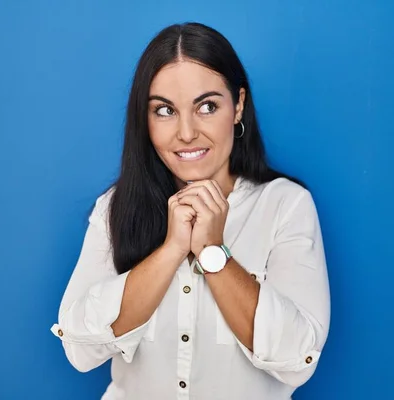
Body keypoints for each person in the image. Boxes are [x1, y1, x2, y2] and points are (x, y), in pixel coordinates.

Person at [51, 22, 330, 400]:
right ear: (144, 120)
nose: (186, 133)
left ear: (239, 106)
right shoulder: (116, 207)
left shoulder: (285, 204)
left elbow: (298, 358)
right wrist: (171, 250)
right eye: (165, 110)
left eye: (207, 106)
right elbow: (80, 350)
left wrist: (214, 252)